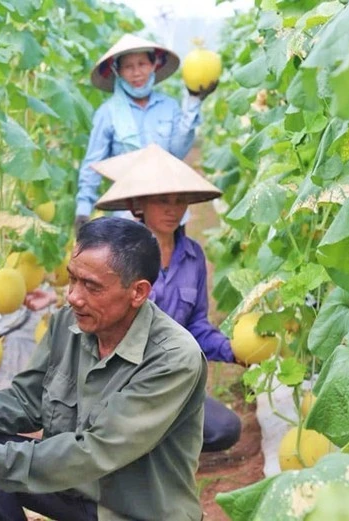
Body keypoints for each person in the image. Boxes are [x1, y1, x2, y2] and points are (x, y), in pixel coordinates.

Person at [0, 217, 209, 521]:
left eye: (91, 286)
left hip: (133, 512)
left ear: (138, 292)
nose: (73, 297)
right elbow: (26, 402)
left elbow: (95, 452)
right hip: (73, 488)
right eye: (72, 278)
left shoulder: (173, 358)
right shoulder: (68, 324)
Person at [93, 144, 242, 453]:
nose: (172, 210)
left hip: (173, 384)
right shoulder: (117, 257)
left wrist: (233, 351)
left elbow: (196, 326)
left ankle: (155, 440)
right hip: (124, 385)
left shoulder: (193, 256)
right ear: (138, 205)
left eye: (179, 201)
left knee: (226, 429)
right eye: (162, 200)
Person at [75, 34, 218, 232]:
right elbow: (93, 164)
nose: (136, 73)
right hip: (128, 215)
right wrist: (83, 210)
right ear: (118, 71)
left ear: (154, 65)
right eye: (128, 67)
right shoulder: (107, 113)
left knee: (175, 261)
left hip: (170, 211)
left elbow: (177, 153)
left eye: (142, 64)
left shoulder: (168, 106)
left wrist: (194, 101)